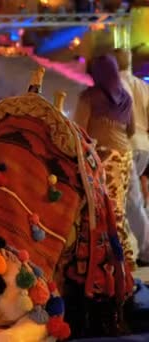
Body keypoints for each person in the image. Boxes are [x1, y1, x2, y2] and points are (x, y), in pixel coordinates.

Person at [73, 54, 136, 269]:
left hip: (103, 159)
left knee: (104, 212)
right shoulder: (126, 97)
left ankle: (119, 262)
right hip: (124, 157)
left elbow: (79, 131)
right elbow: (131, 129)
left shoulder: (89, 97)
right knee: (118, 209)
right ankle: (120, 258)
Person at [114, 48, 149, 267]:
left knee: (128, 200)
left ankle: (141, 250)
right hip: (145, 146)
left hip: (127, 145)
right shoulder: (143, 86)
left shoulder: (116, 86)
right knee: (133, 200)